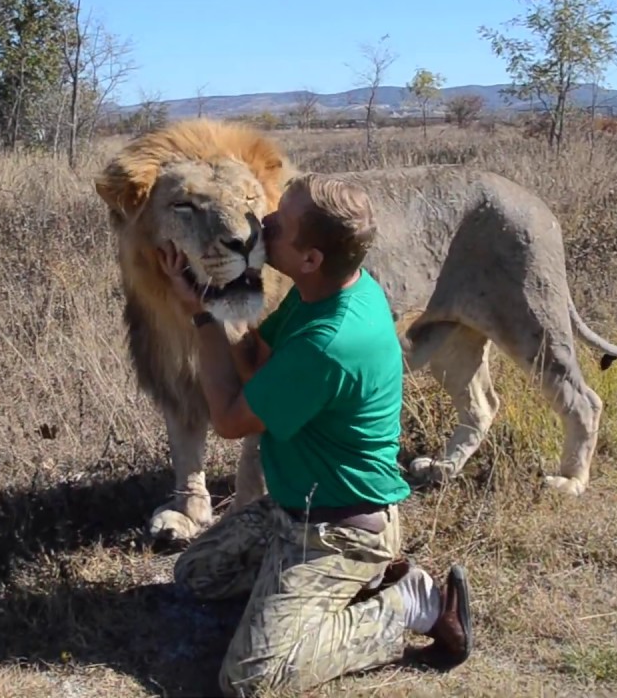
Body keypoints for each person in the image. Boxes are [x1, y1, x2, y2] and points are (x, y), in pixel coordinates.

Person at [157, 173, 473, 697]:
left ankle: (409, 604)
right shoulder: (328, 290)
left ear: (310, 259)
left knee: (249, 679)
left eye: (279, 224)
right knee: (196, 574)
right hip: (295, 505)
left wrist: (202, 319)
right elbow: (257, 357)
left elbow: (232, 421)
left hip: (339, 528)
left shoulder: (328, 342)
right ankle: (338, 591)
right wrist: (214, 298)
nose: (262, 225)